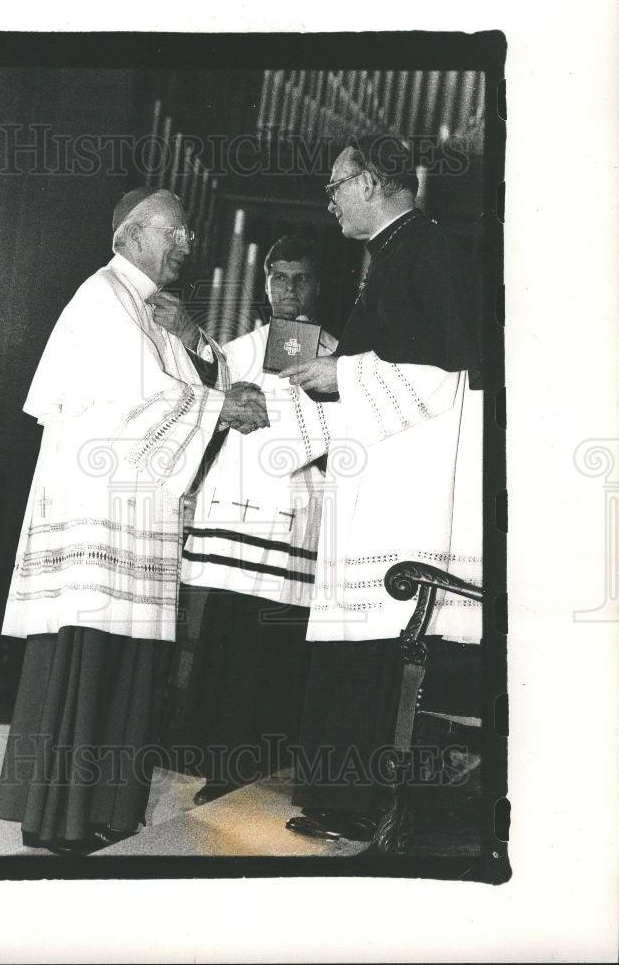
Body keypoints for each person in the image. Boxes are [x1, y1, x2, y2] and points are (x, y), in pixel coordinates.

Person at [0, 186, 269, 855]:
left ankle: (110, 808)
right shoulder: (102, 297)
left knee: (135, 656)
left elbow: (193, 375)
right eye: (174, 231)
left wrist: (206, 377)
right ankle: (57, 813)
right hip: (98, 512)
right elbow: (138, 394)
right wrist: (216, 409)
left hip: (136, 510)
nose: (187, 243)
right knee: (88, 652)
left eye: (187, 234)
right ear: (131, 237)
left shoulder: (150, 306)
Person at [266, 136, 484, 843]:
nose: (328, 199)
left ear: (371, 183)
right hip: (378, 482)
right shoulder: (396, 253)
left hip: (405, 496)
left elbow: (447, 374)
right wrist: (339, 365)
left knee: (374, 645)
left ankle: (359, 803)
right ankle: (340, 799)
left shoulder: (429, 251)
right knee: (354, 643)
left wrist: (344, 375)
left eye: (336, 185)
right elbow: (398, 357)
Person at [162, 236, 338, 804]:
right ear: (264, 282)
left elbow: (322, 428)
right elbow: (207, 388)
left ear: (318, 285)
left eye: (299, 279)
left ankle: (252, 761)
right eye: (278, 278)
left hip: (287, 514)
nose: (287, 290)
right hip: (234, 511)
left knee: (266, 641)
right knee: (225, 633)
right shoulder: (242, 346)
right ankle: (209, 752)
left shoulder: (333, 353)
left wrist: (256, 412)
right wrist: (220, 400)